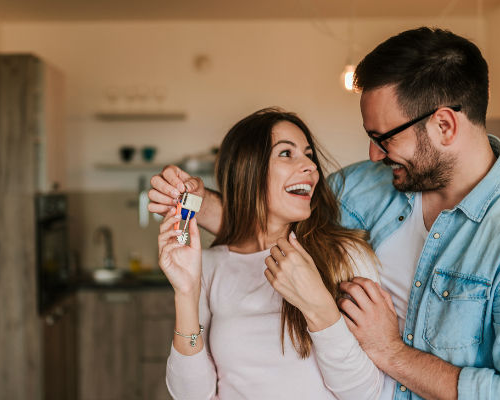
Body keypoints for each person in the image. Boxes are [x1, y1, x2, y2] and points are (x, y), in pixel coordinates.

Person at [149, 27, 500, 400]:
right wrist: (191, 201)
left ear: (444, 125)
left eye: (383, 138)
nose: (373, 155)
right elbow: (270, 221)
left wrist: (390, 350)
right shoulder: (369, 185)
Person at [157, 108, 384, 399]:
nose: (310, 167)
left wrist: (319, 307)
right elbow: (191, 395)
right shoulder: (211, 265)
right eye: (286, 154)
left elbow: (366, 394)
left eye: (309, 155)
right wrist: (186, 294)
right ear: (247, 169)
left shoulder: (346, 255)